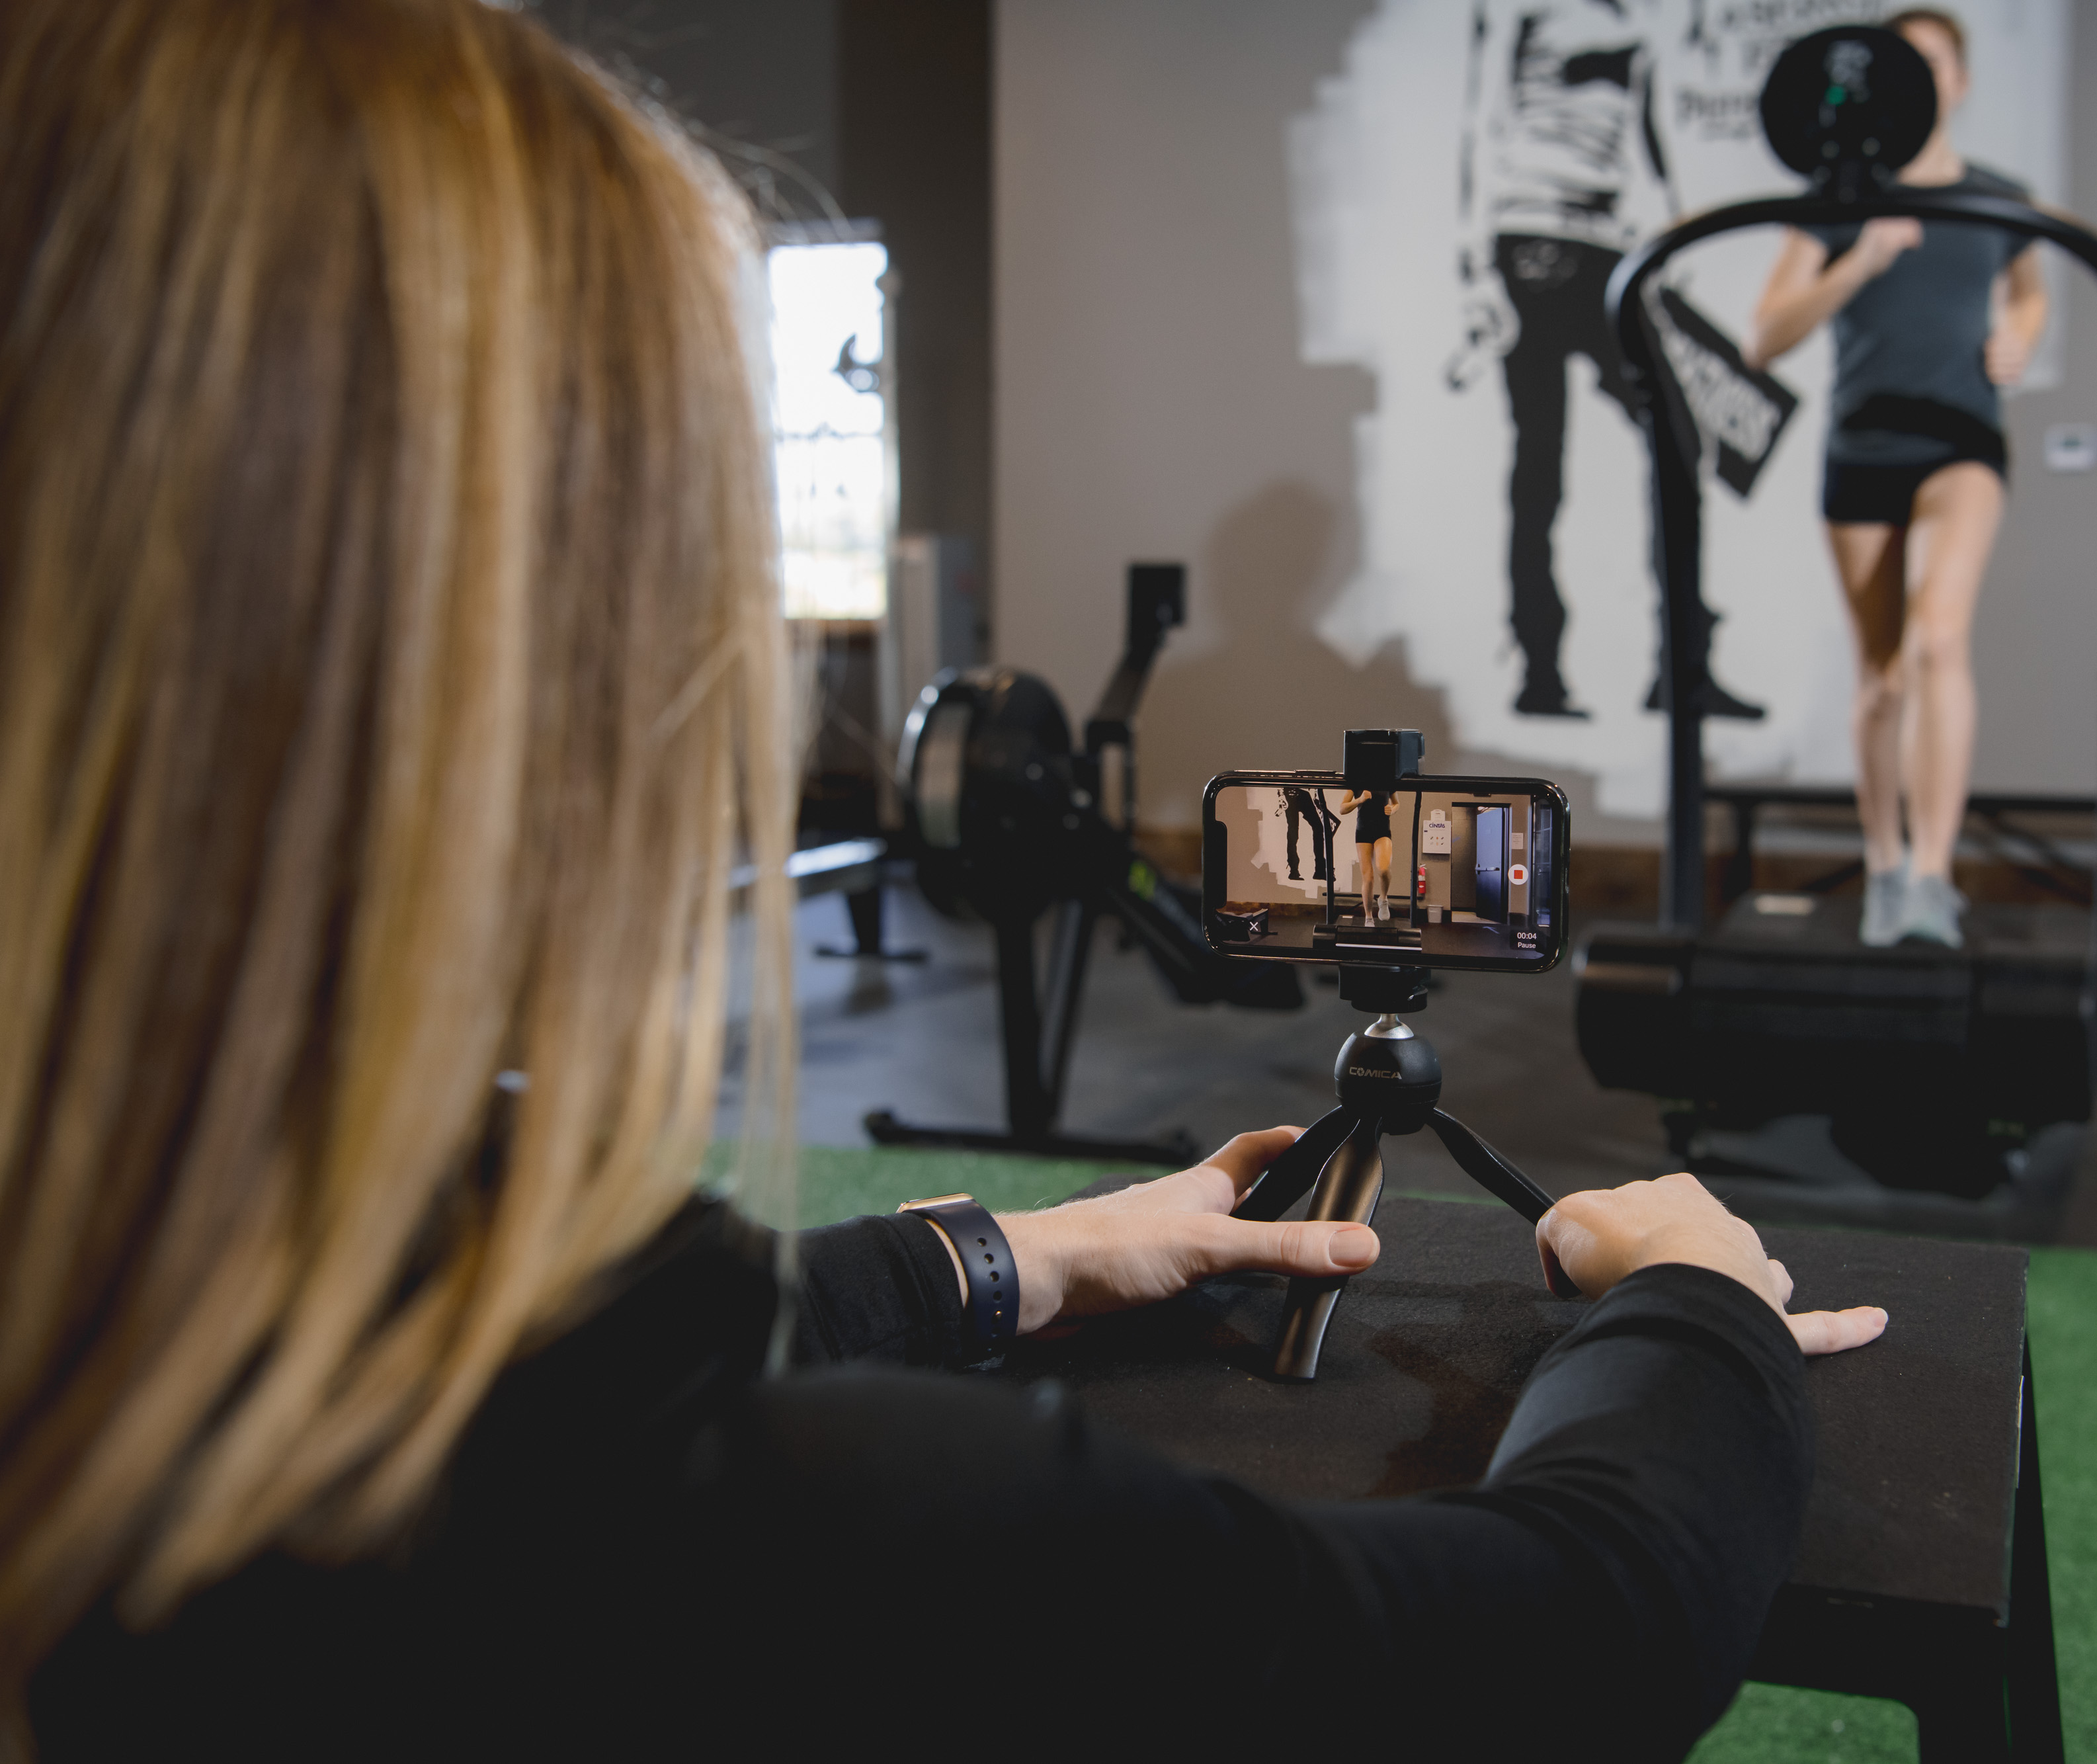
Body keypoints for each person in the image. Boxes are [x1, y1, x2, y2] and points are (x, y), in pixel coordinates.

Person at [0, 2, 1886, 1757]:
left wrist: (999, 1258)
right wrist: (1692, 1307)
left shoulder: (141, 1309)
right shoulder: (786, 1544)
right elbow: (1573, 1637)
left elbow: (549, 1334)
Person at [1747, 8, 2047, 948]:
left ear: (1958, 83)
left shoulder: (1998, 198)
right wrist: (1861, 259)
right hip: (1863, 449)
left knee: (1939, 640)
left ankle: (1932, 875)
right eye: (1901, 62)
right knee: (1881, 680)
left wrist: (2019, 334)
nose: (1919, 76)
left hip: (1961, 440)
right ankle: (1885, 867)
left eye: (1934, 63)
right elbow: (1765, 337)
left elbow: (2031, 289)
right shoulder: (1839, 200)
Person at [1454, 0, 1764, 724]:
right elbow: (1484, 120)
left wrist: (1670, 237)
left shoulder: (1642, 14)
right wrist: (1474, 270)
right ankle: (1540, 670)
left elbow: (1645, 133)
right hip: (1532, 236)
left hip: (1609, 244)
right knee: (1541, 465)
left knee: (1679, 446)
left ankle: (1682, 668)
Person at [1338, 786, 1397, 921]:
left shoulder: (1387, 780)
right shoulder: (1357, 782)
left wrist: (1393, 809)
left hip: (1382, 830)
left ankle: (1383, 898)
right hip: (1363, 831)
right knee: (1368, 878)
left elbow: (1396, 803)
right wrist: (1359, 800)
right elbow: (1342, 809)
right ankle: (1368, 917)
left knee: (1383, 869)